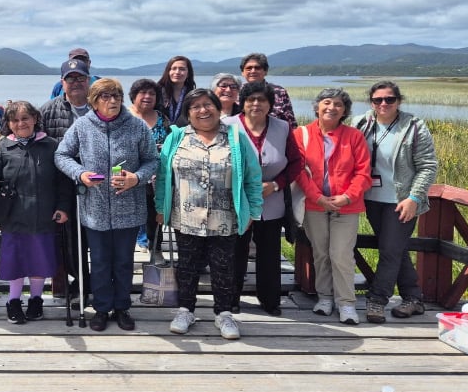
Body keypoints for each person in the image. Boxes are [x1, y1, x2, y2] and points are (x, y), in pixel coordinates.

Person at [156, 88, 263, 340]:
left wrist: (253, 211)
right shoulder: (177, 137)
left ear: (218, 108)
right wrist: (161, 208)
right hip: (186, 216)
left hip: (225, 217)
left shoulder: (235, 138)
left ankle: (224, 314)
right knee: (187, 266)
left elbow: (253, 177)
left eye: (208, 105)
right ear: (188, 113)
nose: (203, 110)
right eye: (196, 107)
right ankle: (185, 310)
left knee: (224, 267)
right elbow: (163, 176)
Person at [55, 78, 158, 332]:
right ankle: (101, 308)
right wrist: (80, 174)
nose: (112, 101)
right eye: (105, 96)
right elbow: (61, 154)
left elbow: (152, 160)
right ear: (94, 101)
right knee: (99, 261)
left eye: (116, 96)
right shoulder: (82, 126)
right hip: (94, 209)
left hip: (129, 208)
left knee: (124, 261)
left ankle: (122, 306)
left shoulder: (137, 126)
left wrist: (136, 178)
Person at [352, 81, 438, 323]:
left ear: (398, 101)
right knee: (395, 250)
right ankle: (413, 298)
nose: (383, 104)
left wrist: (414, 197)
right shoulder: (361, 123)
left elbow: (428, 166)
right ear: (371, 102)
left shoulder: (414, 126)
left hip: (401, 201)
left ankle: (377, 301)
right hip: (372, 199)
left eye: (389, 99)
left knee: (389, 251)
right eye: (378, 100)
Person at [0, 101, 72, 324]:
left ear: (35, 119)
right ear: (9, 124)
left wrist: (63, 207)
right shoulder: (2, 147)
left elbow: (63, 182)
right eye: (15, 120)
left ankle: (36, 299)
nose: (20, 123)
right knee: (16, 261)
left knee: (39, 260)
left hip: (44, 215)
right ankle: (13, 301)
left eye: (25, 118)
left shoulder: (51, 145)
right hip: (13, 215)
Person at [224, 82, 303, 315]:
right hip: (236, 200)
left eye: (262, 100)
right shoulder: (227, 126)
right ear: (243, 103)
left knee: (269, 253)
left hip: (272, 199)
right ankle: (231, 299)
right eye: (251, 100)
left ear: (270, 104)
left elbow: (297, 162)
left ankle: (270, 300)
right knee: (235, 251)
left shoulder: (283, 127)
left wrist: (276, 185)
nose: (256, 104)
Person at [295, 88, 371, 325]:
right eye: (327, 102)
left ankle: (346, 303)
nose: (332, 107)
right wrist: (316, 197)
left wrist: (348, 196)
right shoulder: (302, 134)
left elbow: (363, 172)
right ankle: (325, 298)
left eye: (338, 104)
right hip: (314, 204)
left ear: (345, 111)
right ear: (317, 106)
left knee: (341, 255)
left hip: (346, 206)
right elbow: (298, 170)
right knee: (321, 253)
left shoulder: (354, 136)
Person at [40, 58, 93, 306]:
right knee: (70, 239)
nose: (76, 83)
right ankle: (80, 282)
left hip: (97, 183)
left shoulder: (100, 107)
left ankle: (100, 282)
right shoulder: (48, 110)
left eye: (81, 78)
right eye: (70, 79)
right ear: (62, 82)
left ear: (89, 80)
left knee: (97, 237)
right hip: (63, 185)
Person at [127, 78, 171, 260]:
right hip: (129, 175)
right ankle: (129, 250)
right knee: (129, 216)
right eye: (142, 93)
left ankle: (155, 248)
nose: (147, 96)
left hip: (156, 175)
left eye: (152, 93)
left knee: (155, 212)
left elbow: (170, 144)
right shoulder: (124, 117)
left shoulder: (163, 118)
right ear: (133, 96)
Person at [239, 53, 297, 129]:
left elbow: (290, 122)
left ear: (265, 71)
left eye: (257, 68)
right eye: (249, 68)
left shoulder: (279, 91)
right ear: (242, 72)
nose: (253, 71)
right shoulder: (236, 92)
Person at [158, 56, 196, 126]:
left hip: (184, 133)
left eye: (182, 69)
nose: (177, 72)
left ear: (188, 73)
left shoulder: (193, 95)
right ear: (168, 71)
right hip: (159, 133)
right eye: (174, 68)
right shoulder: (157, 92)